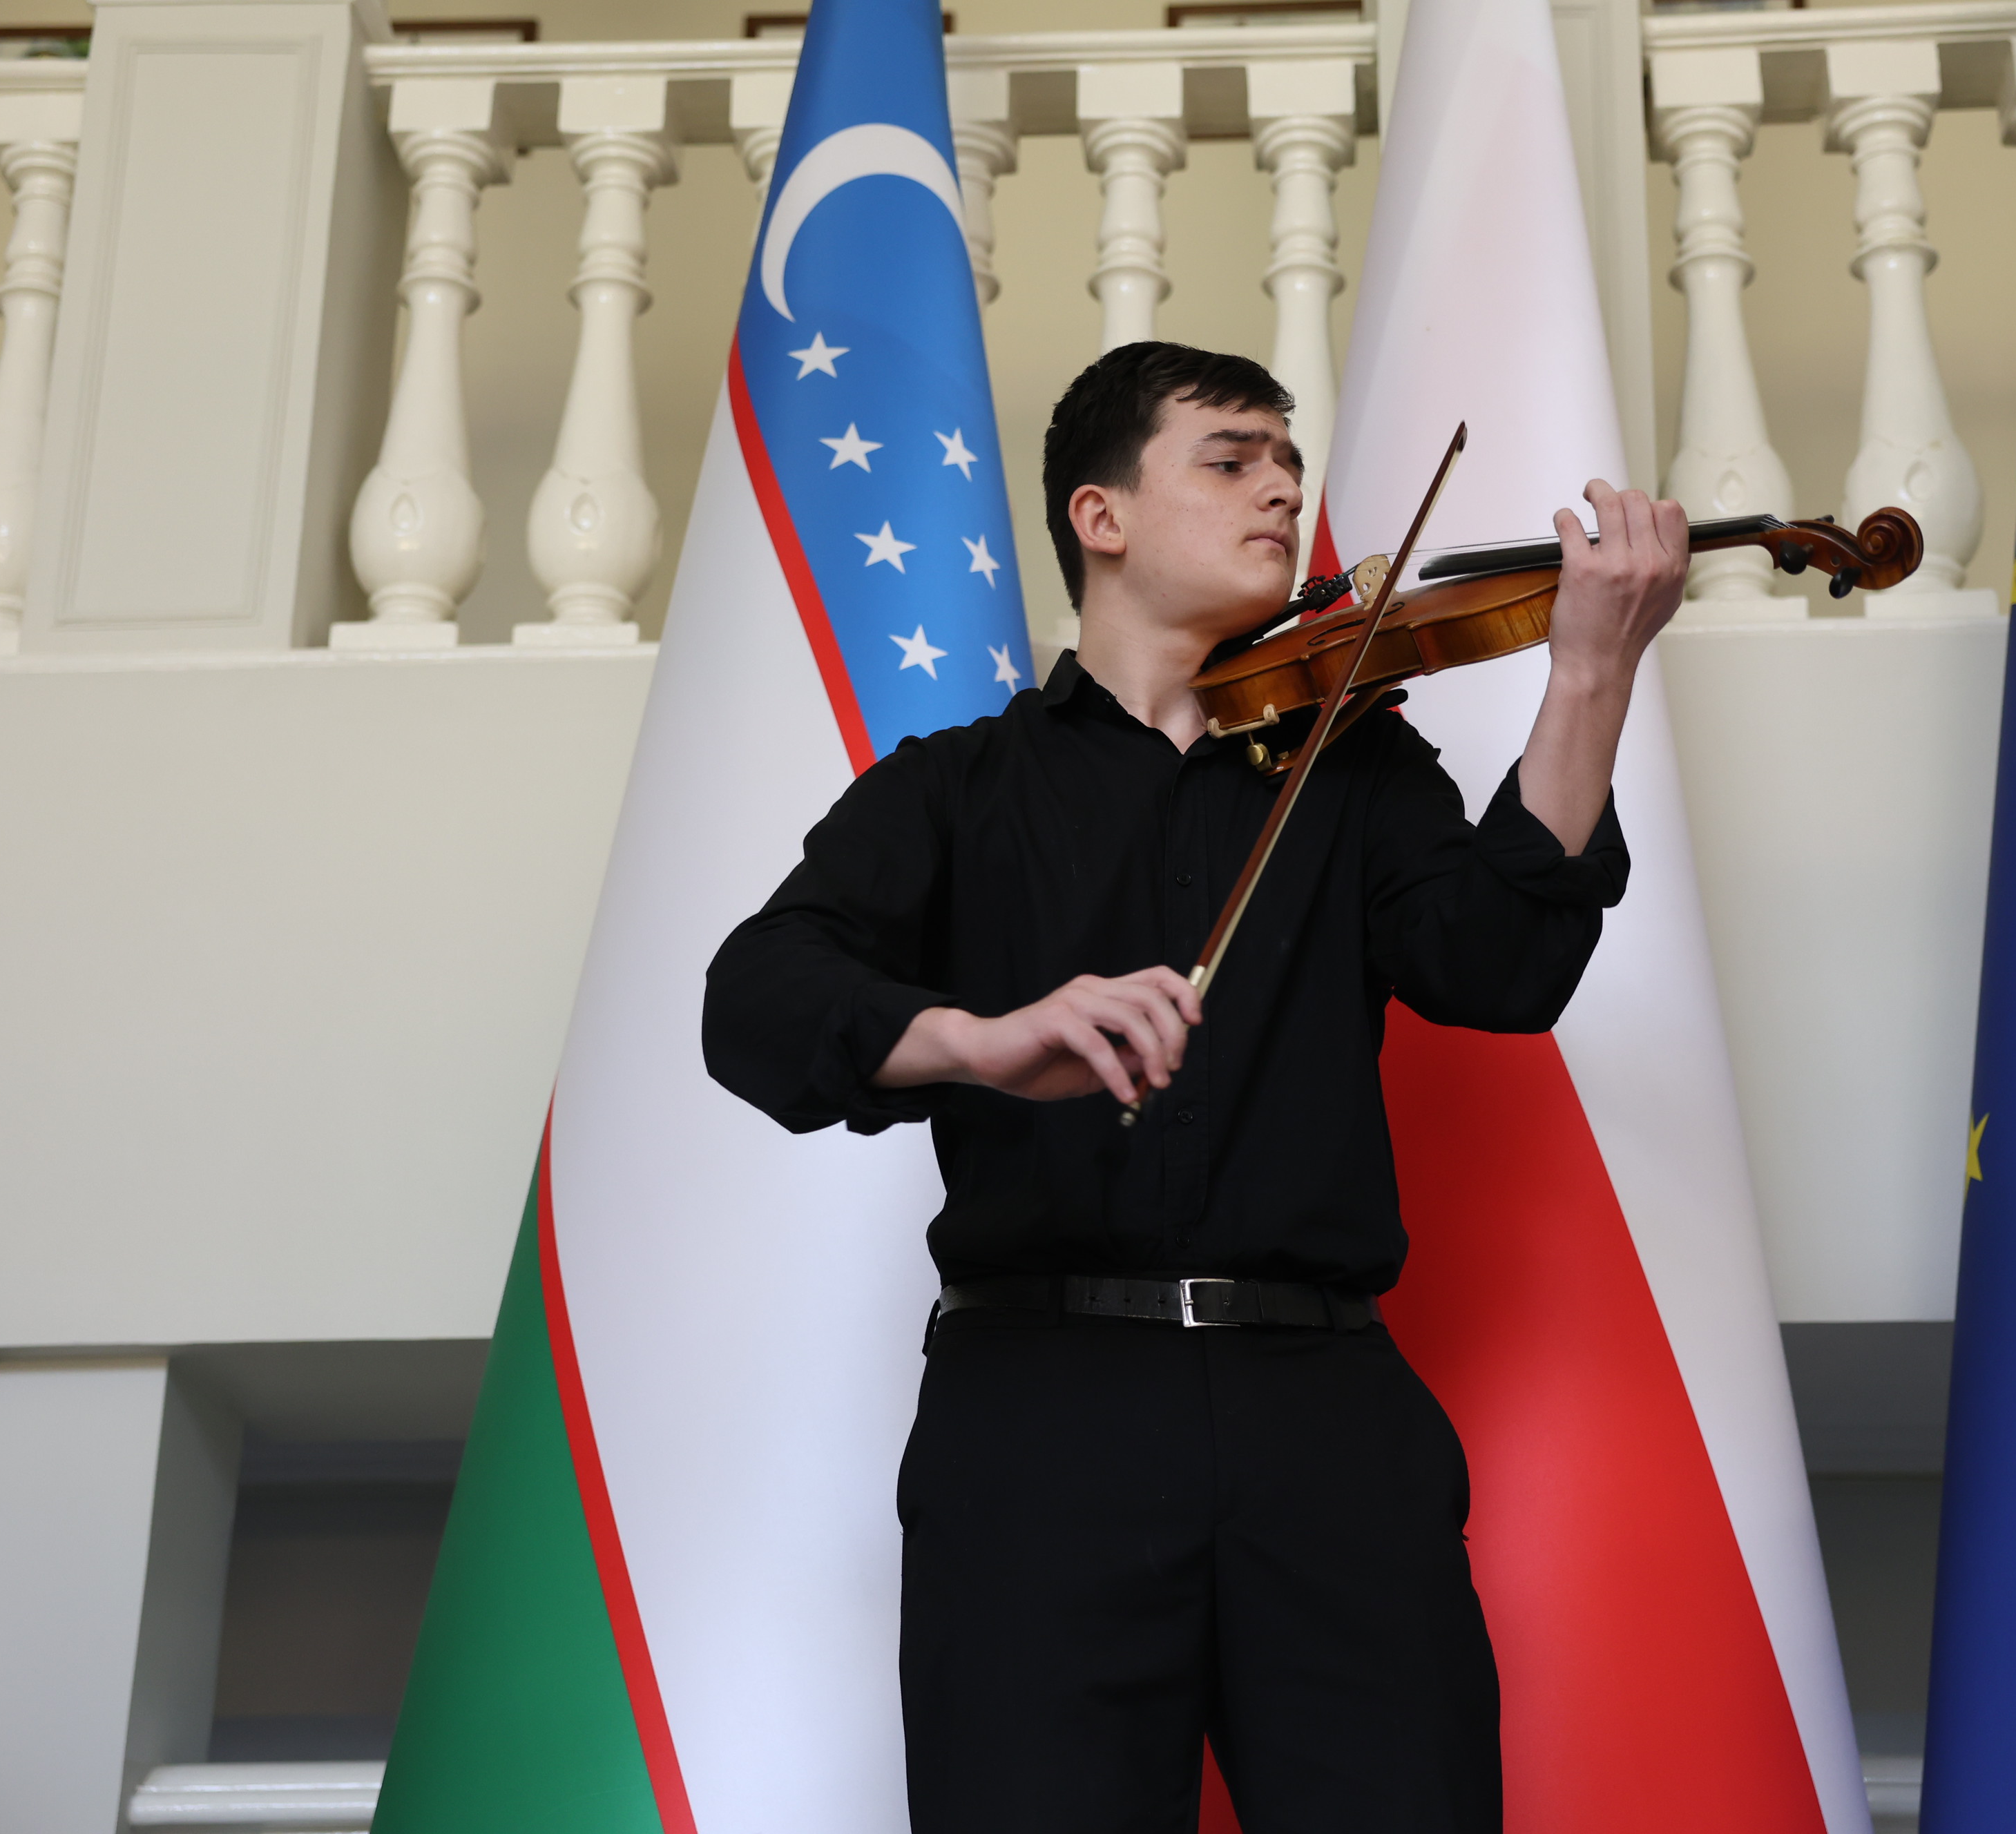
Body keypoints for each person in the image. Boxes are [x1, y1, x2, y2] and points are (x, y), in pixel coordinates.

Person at [703, 342, 1688, 1834]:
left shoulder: (1356, 766)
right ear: (1099, 516)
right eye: (1231, 459)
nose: (1281, 488)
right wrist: (983, 1038)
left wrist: (1593, 671)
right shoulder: (954, 790)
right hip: (1037, 1418)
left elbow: (1502, 964)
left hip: (1326, 1413)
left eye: (1288, 462)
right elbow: (756, 1000)